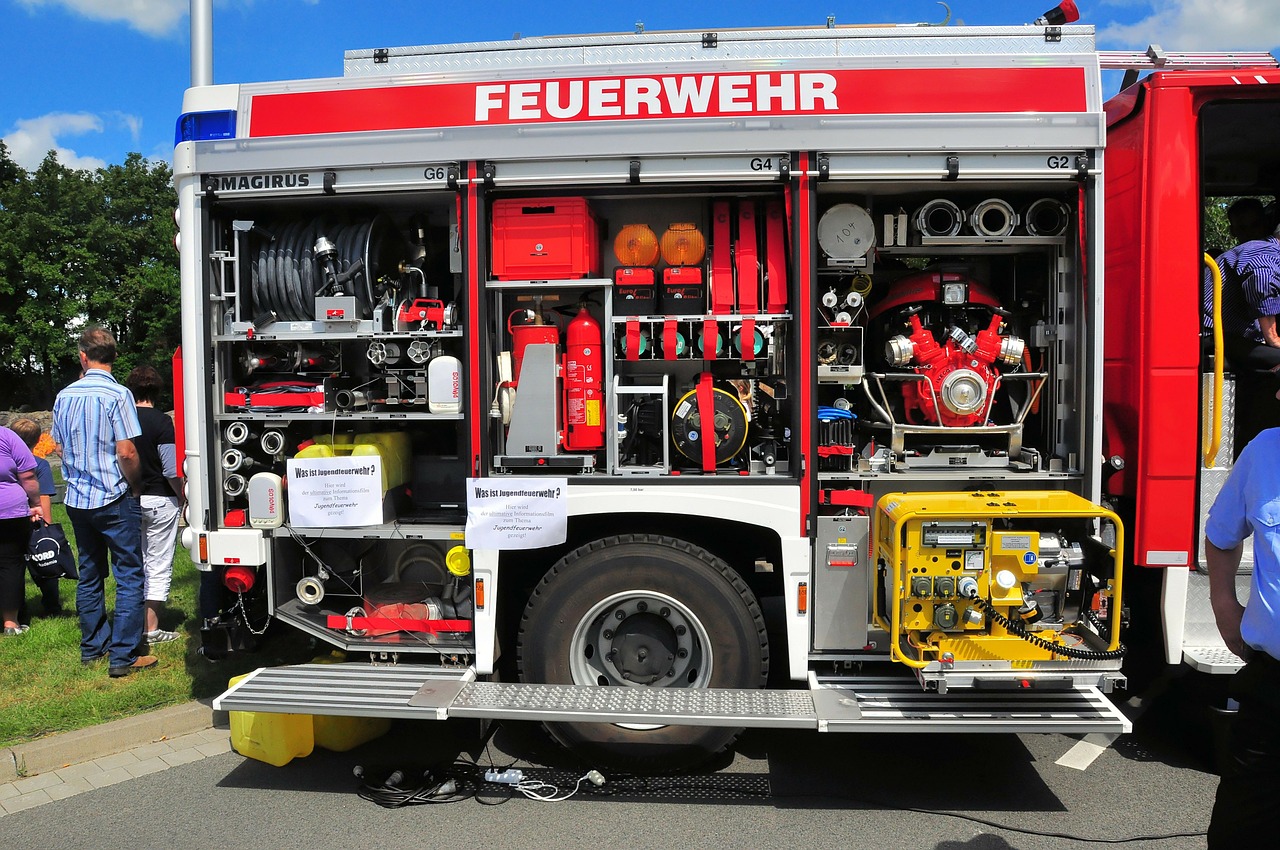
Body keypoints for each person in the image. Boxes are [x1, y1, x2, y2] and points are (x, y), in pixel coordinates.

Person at [52, 327, 157, 677]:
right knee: (128, 573)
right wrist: (136, 485)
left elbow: (59, 446)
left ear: (83, 356)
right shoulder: (118, 394)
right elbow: (126, 451)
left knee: (90, 572)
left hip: (78, 498)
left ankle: (93, 646)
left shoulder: (64, 396)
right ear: (114, 356)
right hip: (113, 494)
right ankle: (124, 655)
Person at [1205, 414, 1280, 847]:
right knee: (1238, 831)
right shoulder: (1266, 450)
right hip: (1272, 688)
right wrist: (1221, 602)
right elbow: (1221, 534)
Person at [1203, 199, 1280, 452]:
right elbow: (1261, 282)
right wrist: (1273, 338)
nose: (1248, 233)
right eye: (1242, 228)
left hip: (1232, 335)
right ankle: (1258, 449)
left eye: (1254, 225)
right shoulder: (1263, 252)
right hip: (1213, 336)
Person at [125, 366, 182, 644]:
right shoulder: (161, 422)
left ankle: (129, 622)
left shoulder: (121, 420)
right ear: (157, 391)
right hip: (160, 499)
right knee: (157, 563)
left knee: (134, 563)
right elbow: (170, 469)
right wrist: (182, 496)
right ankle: (151, 627)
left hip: (128, 500)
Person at [8, 417, 61, 616]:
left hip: (11, 518)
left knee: (13, 565)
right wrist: (47, 524)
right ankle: (51, 604)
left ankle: (18, 607)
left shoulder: (6, 462)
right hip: (34, 518)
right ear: (38, 440)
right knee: (44, 560)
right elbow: (44, 495)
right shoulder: (39, 464)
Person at [0, 425, 43, 635]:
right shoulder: (6, 436)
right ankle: (10, 623)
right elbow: (27, 476)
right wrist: (36, 503)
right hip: (9, 510)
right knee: (10, 564)